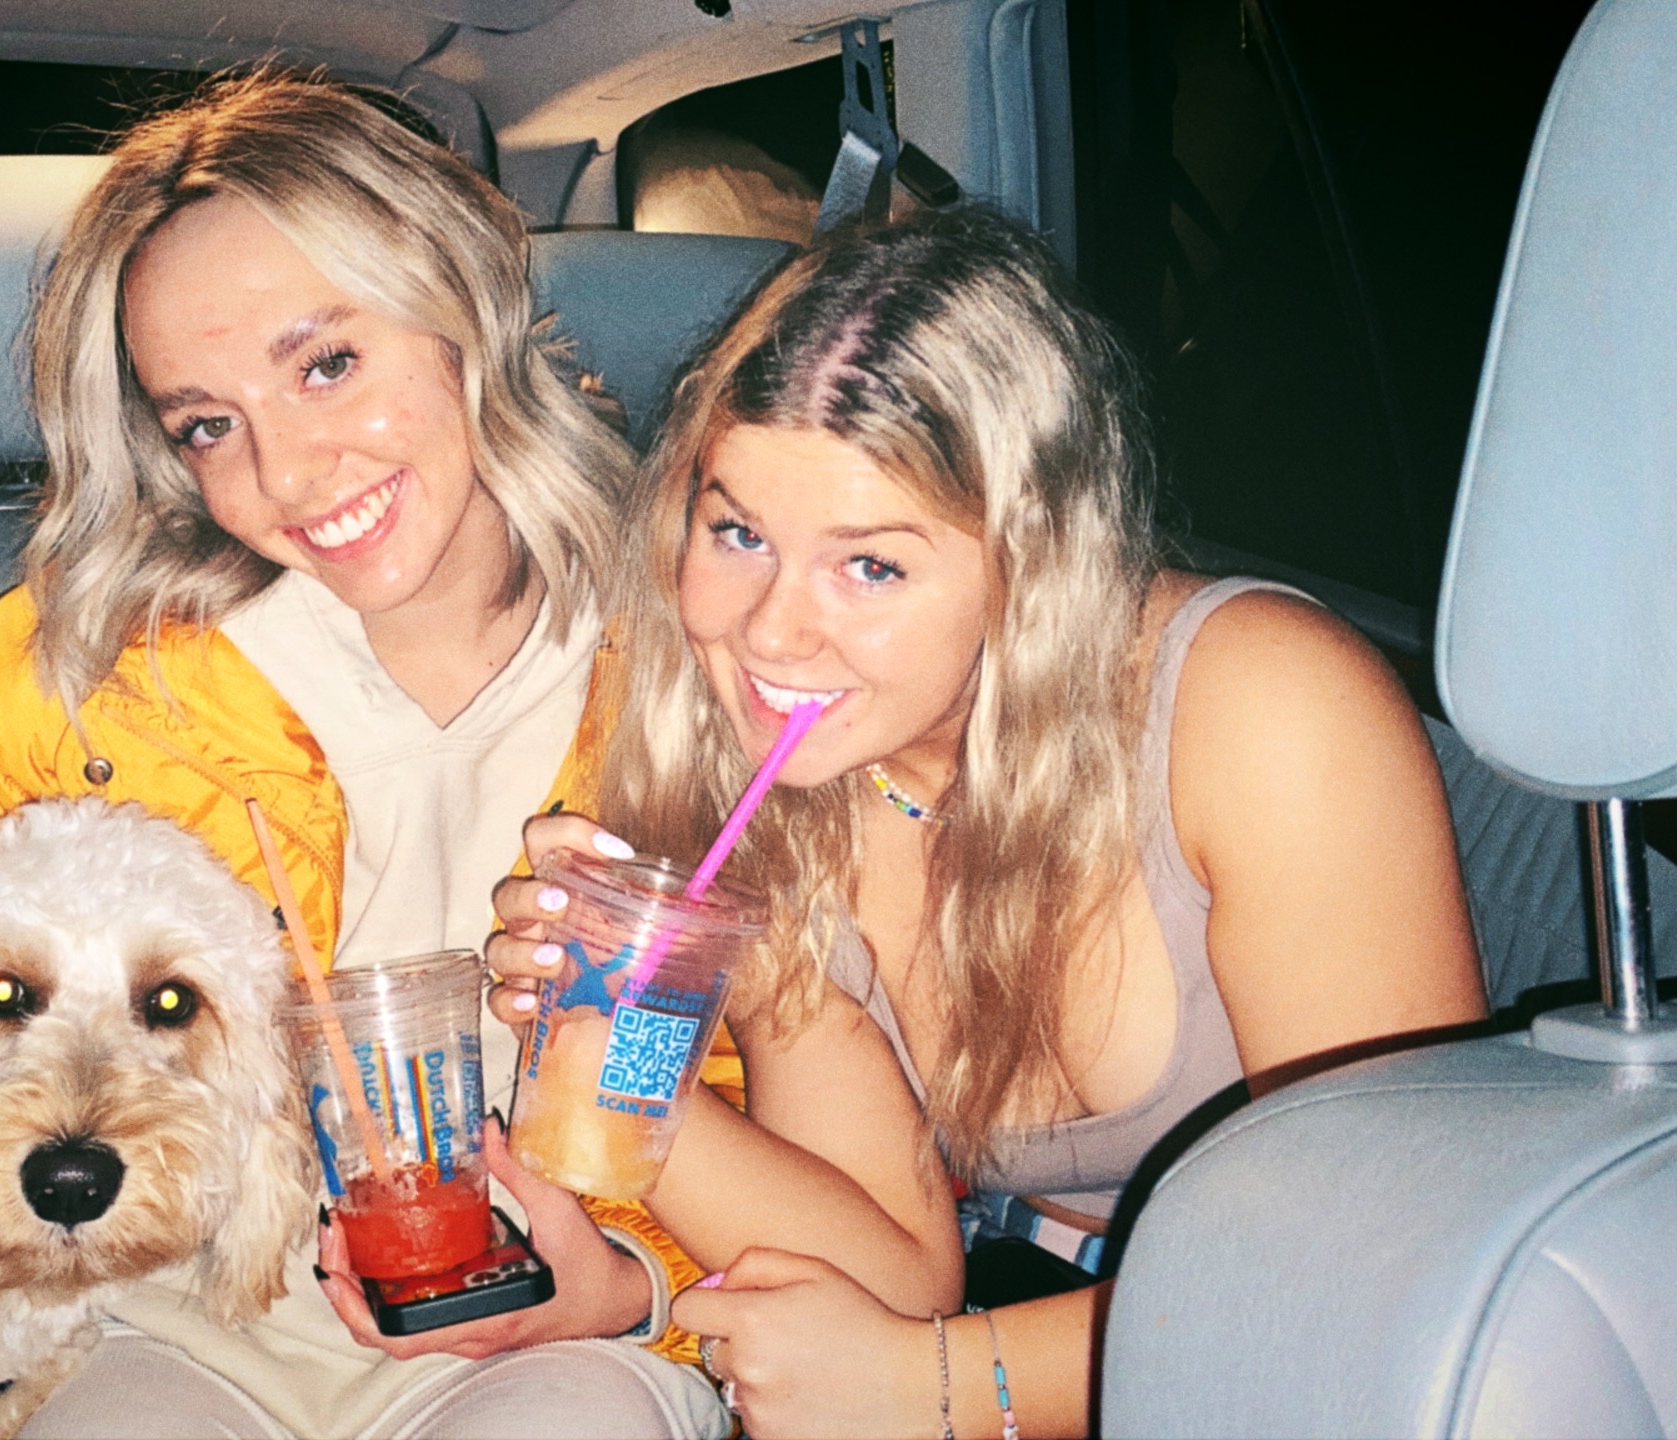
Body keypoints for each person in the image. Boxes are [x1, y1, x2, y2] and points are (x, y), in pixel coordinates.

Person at [0, 75, 912, 1439]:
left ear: (463, 307)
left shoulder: (700, 675)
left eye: (326, 362)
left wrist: (634, 1284)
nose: (287, 473)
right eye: (206, 425)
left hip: (549, 1344)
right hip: (169, 1328)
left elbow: (813, 1154)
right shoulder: (80, 685)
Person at [483, 206, 1488, 1438]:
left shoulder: (1262, 712)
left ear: (1031, 562)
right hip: (1043, 1317)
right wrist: (612, 1047)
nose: (769, 634)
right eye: (737, 531)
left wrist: (945, 1385)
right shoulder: (779, 792)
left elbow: (1399, 1265)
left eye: (871, 566)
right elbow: (898, 1267)